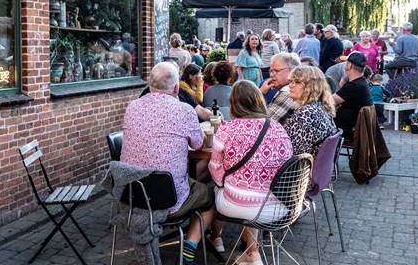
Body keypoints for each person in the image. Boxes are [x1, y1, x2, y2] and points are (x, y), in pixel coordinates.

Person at [121, 62, 215, 265]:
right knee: (209, 196)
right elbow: (199, 144)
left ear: (149, 84)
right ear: (176, 88)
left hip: (133, 194)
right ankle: (190, 246)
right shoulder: (184, 110)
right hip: (168, 199)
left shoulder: (132, 107)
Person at [207, 80, 294, 262]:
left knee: (216, 190)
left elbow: (215, 169)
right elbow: (287, 165)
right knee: (251, 194)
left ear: (234, 104)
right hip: (278, 207)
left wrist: (226, 182)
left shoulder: (226, 129)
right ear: (259, 101)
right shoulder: (278, 128)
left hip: (237, 205)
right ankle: (252, 254)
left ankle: (216, 238)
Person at [285, 66, 337, 156]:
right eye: (290, 81)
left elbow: (293, 154)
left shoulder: (304, 114)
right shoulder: (321, 107)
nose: (290, 85)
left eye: (296, 82)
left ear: (311, 86)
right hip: (317, 167)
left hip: (300, 167)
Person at [141, 58, 213, 121]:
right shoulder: (146, 94)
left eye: (172, 73)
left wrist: (214, 116)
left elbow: (199, 109)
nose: (169, 76)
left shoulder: (182, 92)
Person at [332, 52, 373, 142]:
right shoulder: (361, 82)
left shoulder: (354, 86)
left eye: (346, 62)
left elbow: (327, 101)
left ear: (349, 65)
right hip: (350, 126)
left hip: (344, 130)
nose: (344, 64)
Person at [260, 52, 300, 124]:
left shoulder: (288, 91)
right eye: (271, 71)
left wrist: (260, 93)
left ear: (291, 70)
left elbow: (263, 123)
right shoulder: (294, 88)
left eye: (276, 71)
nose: (271, 75)